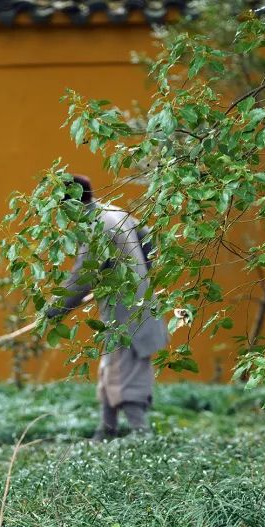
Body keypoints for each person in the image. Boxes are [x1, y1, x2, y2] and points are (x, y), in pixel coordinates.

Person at [44, 174, 168, 441]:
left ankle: (143, 435)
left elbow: (82, 276)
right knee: (111, 369)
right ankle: (104, 433)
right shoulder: (112, 211)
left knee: (126, 378)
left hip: (128, 314)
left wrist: (56, 309)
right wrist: (140, 274)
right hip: (126, 307)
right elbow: (148, 240)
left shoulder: (95, 227)